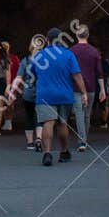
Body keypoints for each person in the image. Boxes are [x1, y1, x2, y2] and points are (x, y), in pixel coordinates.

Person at [27, 26, 87, 167]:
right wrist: (84, 92)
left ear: (47, 40)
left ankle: (47, 154)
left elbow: (32, 75)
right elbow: (77, 75)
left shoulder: (39, 56)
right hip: (64, 95)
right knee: (62, 123)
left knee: (48, 123)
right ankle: (64, 152)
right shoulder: (69, 55)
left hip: (45, 95)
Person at [68, 21, 103, 152]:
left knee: (79, 113)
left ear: (77, 35)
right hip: (91, 86)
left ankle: (82, 141)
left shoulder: (71, 51)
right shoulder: (94, 52)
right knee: (87, 114)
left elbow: (68, 70)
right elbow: (99, 72)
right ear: (88, 35)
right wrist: (103, 89)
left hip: (75, 87)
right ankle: (84, 139)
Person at [7, 34, 46, 153]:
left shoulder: (25, 60)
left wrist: (12, 91)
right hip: (41, 92)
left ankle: (30, 143)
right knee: (39, 116)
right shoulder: (45, 60)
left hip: (28, 92)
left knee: (29, 116)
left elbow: (18, 77)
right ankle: (38, 138)